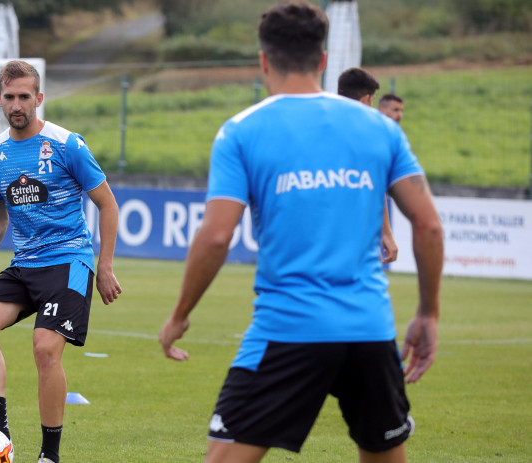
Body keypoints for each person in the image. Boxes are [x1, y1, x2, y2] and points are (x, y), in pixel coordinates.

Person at [159, 2, 443, 463]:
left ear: (263, 60)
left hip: (289, 328)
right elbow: (429, 223)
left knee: (223, 454)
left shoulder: (241, 131)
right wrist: (428, 313)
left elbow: (215, 237)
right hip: (371, 330)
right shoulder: (380, 128)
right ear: (324, 60)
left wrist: (179, 314)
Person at [0, 60, 122, 463]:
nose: (17, 104)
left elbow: (108, 205)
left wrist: (105, 266)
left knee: (45, 347)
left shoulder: (66, 144)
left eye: (25, 96)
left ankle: (49, 456)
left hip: (69, 260)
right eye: (10, 97)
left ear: (39, 98)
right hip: (26, 263)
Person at [337, 67, 398, 263]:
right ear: (366, 99)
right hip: (353, 231)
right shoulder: (372, 135)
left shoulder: (316, 126)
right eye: (373, 100)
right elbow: (376, 184)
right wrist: (386, 233)